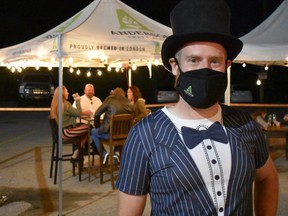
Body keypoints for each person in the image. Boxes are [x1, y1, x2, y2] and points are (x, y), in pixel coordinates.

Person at [116, 0, 279, 215]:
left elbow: (268, 177)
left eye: (214, 61)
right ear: (175, 66)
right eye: (194, 60)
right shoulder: (144, 134)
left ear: (227, 66)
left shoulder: (245, 124)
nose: (205, 69)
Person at [91, 87, 133, 164]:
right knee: (116, 134)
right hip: (124, 136)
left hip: (109, 134)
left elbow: (97, 114)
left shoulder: (109, 99)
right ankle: (116, 154)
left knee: (93, 131)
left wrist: (97, 126)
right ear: (123, 94)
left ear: (114, 94)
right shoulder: (128, 102)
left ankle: (104, 154)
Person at [50, 86, 92, 161]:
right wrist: (77, 101)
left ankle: (76, 153)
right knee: (89, 127)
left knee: (84, 132)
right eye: (67, 91)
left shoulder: (56, 105)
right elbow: (78, 113)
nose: (68, 93)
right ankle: (78, 152)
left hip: (60, 132)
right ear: (63, 93)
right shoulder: (66, 104)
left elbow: (73, 113)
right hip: (66, 132)